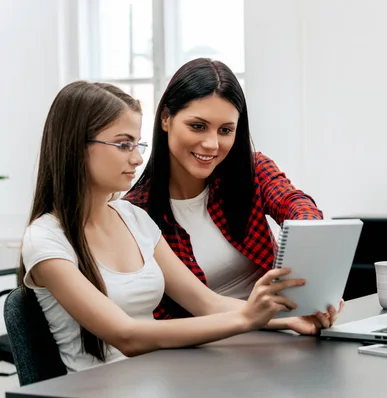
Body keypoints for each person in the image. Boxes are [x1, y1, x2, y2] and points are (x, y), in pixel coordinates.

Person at [19, 81, 340, 373]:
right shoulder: (45, 239)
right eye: (123, 145)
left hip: (163, 378)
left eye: (138, 145)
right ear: (76, 145)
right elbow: (126, 335)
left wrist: (288, 318)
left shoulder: (133, 218)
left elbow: (207, 303)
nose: (135, 159)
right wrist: (246, 318)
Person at [124, 58, 333, 325]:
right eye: (197, 126)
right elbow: (188, 312)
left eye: (225, 130)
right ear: (166, 118)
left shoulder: (252, 170)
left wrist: (313, 287)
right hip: (205, 348)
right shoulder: (137, 212)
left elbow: (295, 203)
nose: (212, 144)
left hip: (281, 332)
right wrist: (286, 317)